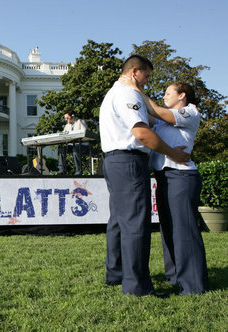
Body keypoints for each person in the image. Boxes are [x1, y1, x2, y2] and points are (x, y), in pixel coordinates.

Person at [99, 55, 191, 297]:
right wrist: (173, 153)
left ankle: (116, 273)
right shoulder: (128, 94)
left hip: (113, 160)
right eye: (147, 76)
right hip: (129, 161)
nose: (147, 82)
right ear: (135, 72)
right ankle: (137, 285)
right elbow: (142, 133)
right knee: (136, 223)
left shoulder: (113, 94)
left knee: (119, 219)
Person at [128, 81, 208, 295]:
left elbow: (157, 111)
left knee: (184, 230)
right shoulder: (165, 120)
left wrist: (137, 90)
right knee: (169, 229)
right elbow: (146, 117)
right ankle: (175, 278)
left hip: (182, 177)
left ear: (182, 96)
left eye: (168, 93)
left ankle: (193, 286)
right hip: (164, 177)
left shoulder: (190, 112)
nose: (164, 96)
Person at [58, 109, 89, 175]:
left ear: (72, 116)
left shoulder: (80, 122)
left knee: (75, 150)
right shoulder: (67, 126)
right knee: (62, 149)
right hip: (72, 145)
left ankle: (79, 171)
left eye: (67, 118)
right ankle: (62, 171)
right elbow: (63, 136)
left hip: (83, 145)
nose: (66, 119)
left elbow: (85, 134)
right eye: (65, 118)